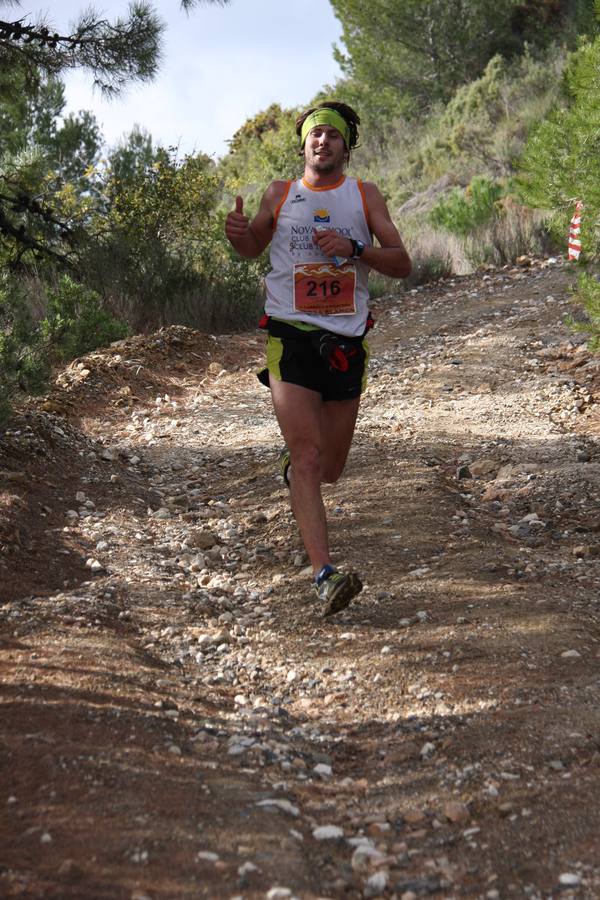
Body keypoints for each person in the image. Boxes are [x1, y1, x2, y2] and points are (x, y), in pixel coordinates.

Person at [225, 101, 411, 616]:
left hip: (346, 343)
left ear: (345, 147)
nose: (322, 142)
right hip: (290, 334)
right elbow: (254, 245)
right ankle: (324, 575)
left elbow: (402, 262)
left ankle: (297, 469)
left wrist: (354, 248)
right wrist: (241, 236)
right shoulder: (280, 194)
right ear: (303, 144)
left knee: (329, 467)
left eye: (331, 136)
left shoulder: (364, 196)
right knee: (307, 459)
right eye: (314, 135)